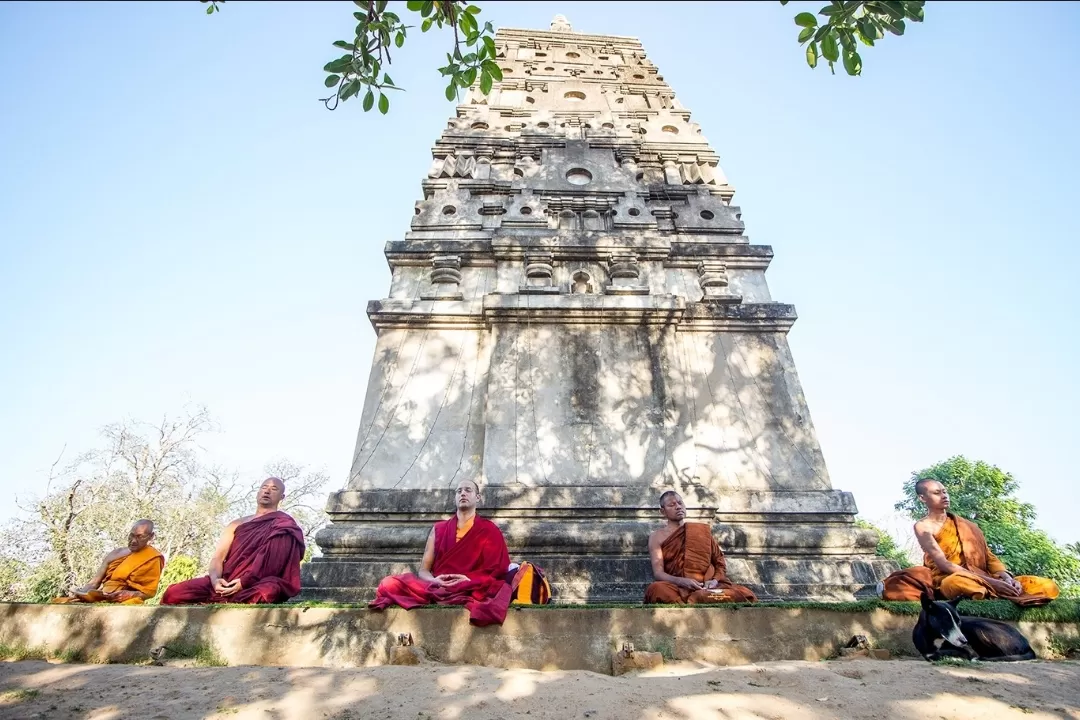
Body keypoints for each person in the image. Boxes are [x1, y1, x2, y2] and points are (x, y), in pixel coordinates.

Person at [879, 478, 1059, 606]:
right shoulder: (923, 526)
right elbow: (943, 564)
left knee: (1046, 586)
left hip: (986, 576)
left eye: (944, 491)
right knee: (956, 583)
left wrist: (1006, 578)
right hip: (950, 578)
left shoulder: (968, 526)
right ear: (922, 498)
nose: (944, 495)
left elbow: (989, 557)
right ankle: (992, 590)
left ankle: (999, 590)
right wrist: (991, 582)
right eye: (936, 493)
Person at [369, 479, 512, 626]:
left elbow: (496, 571)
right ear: (455, 497)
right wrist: (434, 581)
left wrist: (468, 580)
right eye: (459, 491)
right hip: (438, 586)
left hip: (470, 585)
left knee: (500, 588)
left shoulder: (489, 530)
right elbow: (424, 571)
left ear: (478, 497)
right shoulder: (439, 529)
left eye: (468, 490)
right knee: (389, 584)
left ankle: (453, 591)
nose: (462, 493)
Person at [161, 477, 305, 605]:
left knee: (268, 591)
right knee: (174, 593)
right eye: (264, 487)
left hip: (255, 584)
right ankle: (224, 596)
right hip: (225, 581)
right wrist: (215, 580)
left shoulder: (283, 525)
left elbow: (274, 564)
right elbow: (218, 558)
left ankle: (232, 597)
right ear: (258, 492)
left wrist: (244, 582)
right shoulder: (236, 524)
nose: (267, 491)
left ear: (282, 496)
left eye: (274, 489)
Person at [644, 491, 757, 604]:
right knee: (656, 589)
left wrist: (714, 581)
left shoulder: (700, 532)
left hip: (707, 586)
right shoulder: (656, 537)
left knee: (746, 593)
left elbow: (719, 562)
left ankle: (697, 598)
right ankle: (698, 598)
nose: (678, 507)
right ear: (663, 511)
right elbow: (658, 573)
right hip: (677, 587)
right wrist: (682, 581)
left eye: (680, 503)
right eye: (672, 505)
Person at [52, 519, 164, 605]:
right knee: (62, 602)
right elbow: (95, 582)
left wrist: (130, 594)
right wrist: (82, 593)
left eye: (140, 537)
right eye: (131, 536)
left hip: (127, 600)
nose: (134, 541)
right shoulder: (115, 553)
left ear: (151, 537)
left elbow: (149, 592)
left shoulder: (153, 557)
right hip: (102, 595)